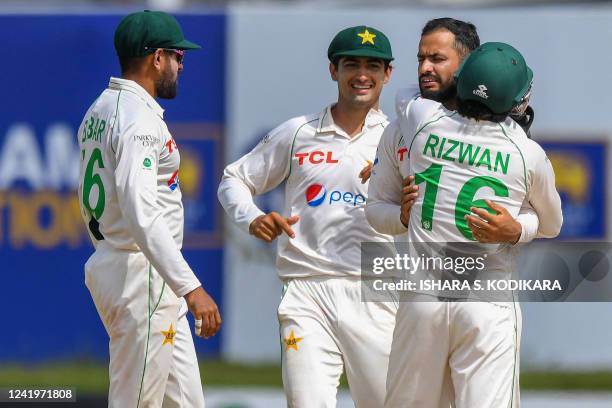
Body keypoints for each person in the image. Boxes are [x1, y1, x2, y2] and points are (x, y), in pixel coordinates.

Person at [368, 42, 563, 407]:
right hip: (485, 306)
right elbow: (553, 223)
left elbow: (407, 94)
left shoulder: (422, 120)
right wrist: (517, 229)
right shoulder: (526, 152)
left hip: (420, 301)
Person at [218, 26, 397, 407]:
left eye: (372, 65)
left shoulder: (399, 138)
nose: (361, 75)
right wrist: (252, 217)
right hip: (306, 289)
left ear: (388, 74)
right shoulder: (299, 132)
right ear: (334, 70)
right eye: (351, 64)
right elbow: (234, 178)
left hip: (376, 289)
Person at [77, 10, 220, 407]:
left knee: (185, 402)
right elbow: (141, 212)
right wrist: (191, 288)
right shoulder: (138, 119)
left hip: (127, 267)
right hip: (142, 273)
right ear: (156, 58)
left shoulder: (100, 110)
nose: (181, 64)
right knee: (136, 401)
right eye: (177, 55)